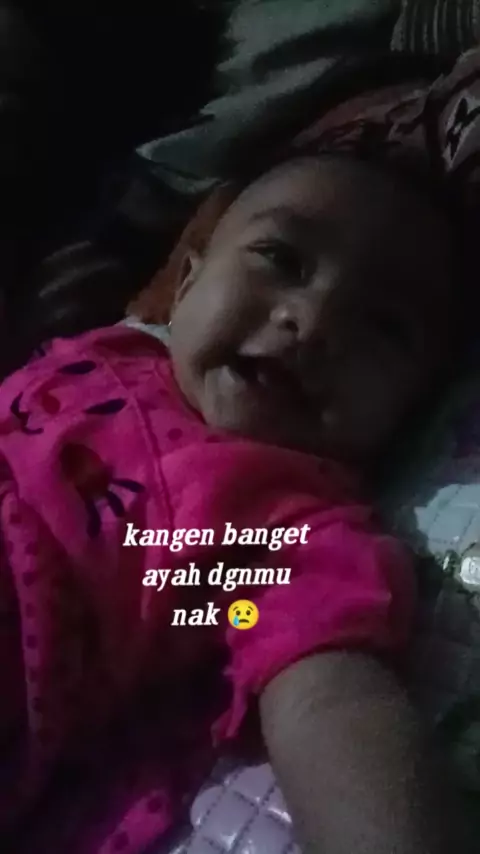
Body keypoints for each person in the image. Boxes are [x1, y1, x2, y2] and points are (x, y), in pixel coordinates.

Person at [0, 153, 456, 854]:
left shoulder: (292, 527)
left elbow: (331, 700)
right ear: (186, 283)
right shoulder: (106, 351)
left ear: (411, 410)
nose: (312, 320)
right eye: (281, 258)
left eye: (386, 326)